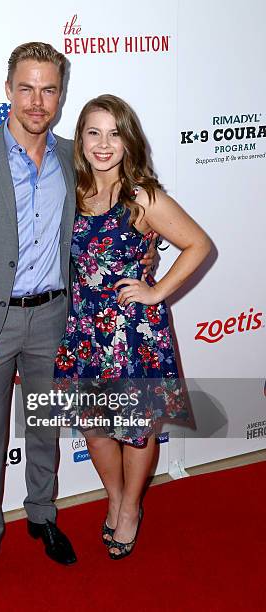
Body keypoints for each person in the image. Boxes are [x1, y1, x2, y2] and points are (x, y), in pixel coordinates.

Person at [0, 42, 159, 594]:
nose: (38, 101)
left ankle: (42, 516)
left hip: (57, 319)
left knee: (42, 431)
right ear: (9, 89)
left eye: (50, 89)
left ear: (61, 96)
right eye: (27, 88)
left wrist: (146, 247)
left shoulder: (73, 158)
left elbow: (111, 218)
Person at [54, 94, 211, 560]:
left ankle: (130, 508)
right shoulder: (70, 190)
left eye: (114, 133)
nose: (104, 144)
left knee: (136, 428)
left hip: (132, 335)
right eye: (93, 132)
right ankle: (116, 497)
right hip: (83, 330)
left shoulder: (140, 196)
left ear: (128, 140)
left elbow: (199, 244)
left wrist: (156, 290)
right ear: (80, 139)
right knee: (96, 427)